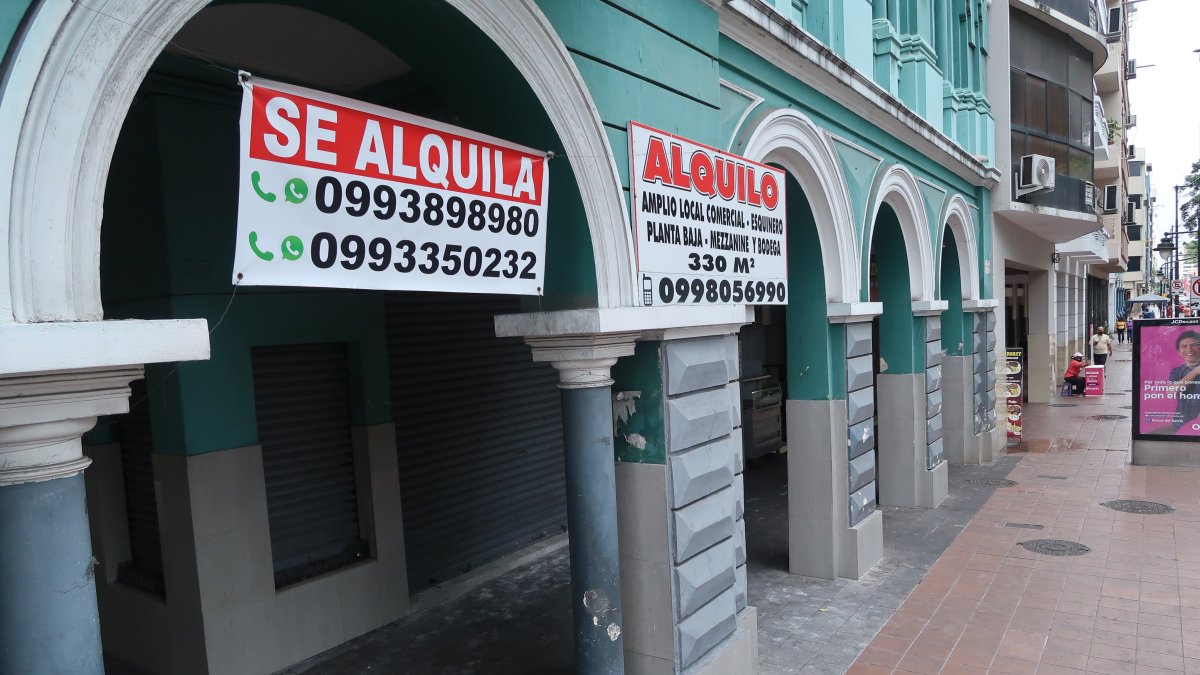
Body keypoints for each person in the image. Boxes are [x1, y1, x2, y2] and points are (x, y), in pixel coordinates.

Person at [1169, 331, 1200, 430]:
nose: (1189, 349)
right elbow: (1171, 392)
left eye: (1195, 345)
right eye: (1184, 346)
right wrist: (1195, 372)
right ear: (1179, 351)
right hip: (1180, 424)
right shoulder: (1177, 371)